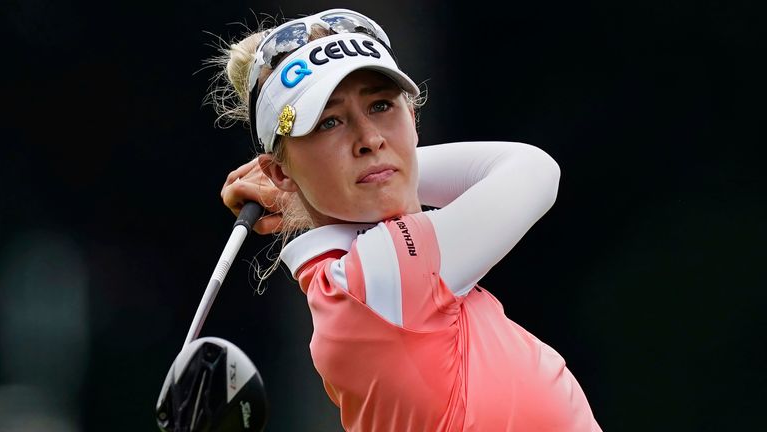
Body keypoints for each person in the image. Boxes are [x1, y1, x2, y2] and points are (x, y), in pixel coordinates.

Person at [208, 8, 602, 431]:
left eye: (380, 105)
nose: (370, 138)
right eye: (329, 122)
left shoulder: (354, 281)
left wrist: (313, 184)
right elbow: (535, 170)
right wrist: (391, 167)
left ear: (412, 119)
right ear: (279, 173)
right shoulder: (383, 272)